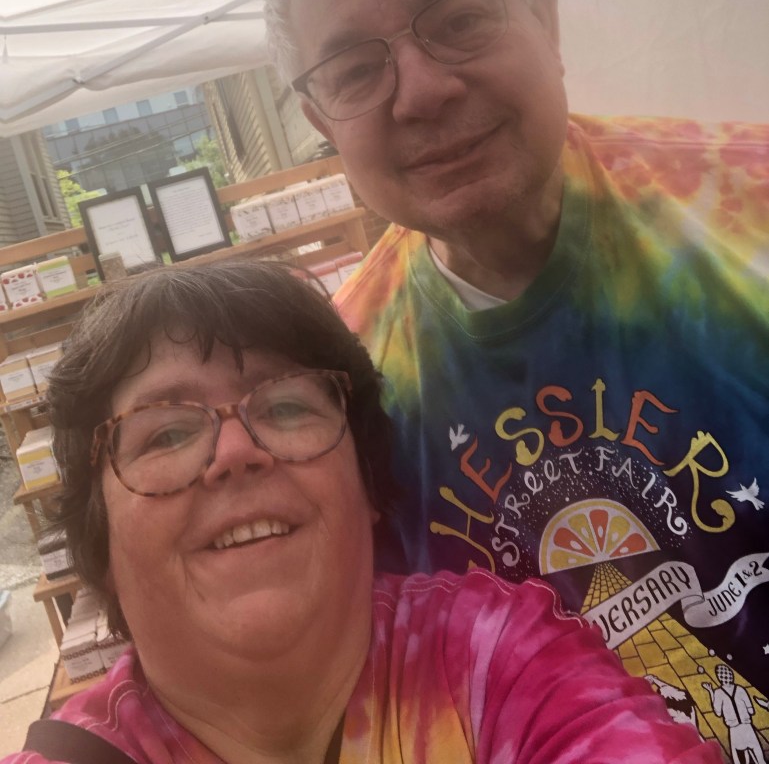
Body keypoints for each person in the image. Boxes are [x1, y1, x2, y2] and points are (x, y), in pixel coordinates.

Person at [262, 0, 769, 749]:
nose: (421, 91)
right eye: (355, 69)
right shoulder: (341, 396)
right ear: (322, 121)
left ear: (544, 15)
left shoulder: (750, 214)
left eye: (458, 20)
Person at [5, 259, 720, 764]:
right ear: (98, 538)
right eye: (164, 433)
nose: (234, 451)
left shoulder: (500, 661)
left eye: (286, 407)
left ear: (368, 484)